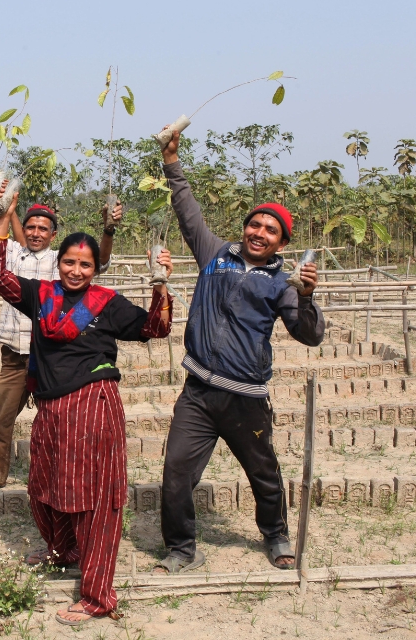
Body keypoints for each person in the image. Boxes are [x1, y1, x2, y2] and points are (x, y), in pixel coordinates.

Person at [0, 191, 173, 626]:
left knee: (92, 496)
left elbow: (155, 328)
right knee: (43, 487)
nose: (75, 270)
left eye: (85, 265)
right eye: (69, 262)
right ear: (59, 262)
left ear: (94, 269)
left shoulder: (106, 303)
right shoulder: (40, 295)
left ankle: (97, 594)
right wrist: (1, 218)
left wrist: (159, 282)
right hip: (50, 407)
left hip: (92, 404)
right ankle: (64, 550)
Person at [154, 126, 323, 574]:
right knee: (175, 475)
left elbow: (309, 335)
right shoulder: (215, 255)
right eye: (255, 224)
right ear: (244, 228)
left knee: (263, 474)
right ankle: (181, 549)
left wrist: (306, 298)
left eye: (271, 230)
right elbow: (188, 212)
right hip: (198, 393)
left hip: (245, 398)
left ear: (282, 243)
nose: (259, 232)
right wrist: (172, 160)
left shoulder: (282, 283)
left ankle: (275, 534)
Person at [0, 175, 123, 491]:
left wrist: (108, 230)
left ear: (54, 234)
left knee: (60, 420)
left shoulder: (61, 261)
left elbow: (102, 260)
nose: (36, 232)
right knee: (0, 419)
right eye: (31, 227)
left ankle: (62, 475)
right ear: (22, 229)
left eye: (43, 228)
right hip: (14, 355)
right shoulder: (10, 252)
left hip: (52, 357)